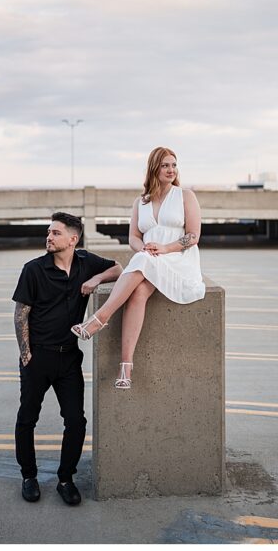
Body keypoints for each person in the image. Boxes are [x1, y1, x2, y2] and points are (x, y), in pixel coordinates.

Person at [70, 146, 205, 389]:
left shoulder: (186, 196)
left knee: (142, 262)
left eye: (174, 165)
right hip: (150, 257)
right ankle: (126, 367)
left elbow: (193, 236)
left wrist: (164, 248)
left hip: (178, 258)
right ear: (154, 168)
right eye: (165, 165)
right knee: (139, 292)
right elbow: (133, 237)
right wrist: (144, 248)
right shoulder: (140, 202)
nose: (171, 170)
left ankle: (99, 319)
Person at [12, 212, 122, 506]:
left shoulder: (86, 263)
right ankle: (29, 476)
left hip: (69, 359)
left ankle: (65, 479)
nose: (49, 237)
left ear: (73, 239)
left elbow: (119, 268)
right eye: (48, 232)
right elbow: (20, 313)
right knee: (27, 419)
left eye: (56, 233)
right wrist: (26, 354)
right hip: (38, 357)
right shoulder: (33, 269)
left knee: (75, 421)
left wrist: (97, 278)